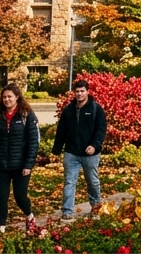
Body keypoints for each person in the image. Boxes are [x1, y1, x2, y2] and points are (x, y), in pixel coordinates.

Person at [0, 84, 39, 233]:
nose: (7, 100)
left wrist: (28, 164)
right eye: (4, 97)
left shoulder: (27, 115)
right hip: (2, 165)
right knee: (2, 197)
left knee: (20, 197)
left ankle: (30, 216)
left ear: (17, 97)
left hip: (20, 165)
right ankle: (0, 227)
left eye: (10, 97)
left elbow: (33, 142)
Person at [52, 79, 106, 217]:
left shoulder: (95, 109)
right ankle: (67, 211)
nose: (79, 94)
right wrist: (56, 150)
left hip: (90, 154)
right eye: (77, 91)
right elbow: (61, 130)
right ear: (74, 93)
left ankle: (96, 208)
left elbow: (101, 130)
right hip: (71, 152)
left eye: (82, 91)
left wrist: (94, 145)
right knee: (69, 181)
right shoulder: (68, 110)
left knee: (92, 181)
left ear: (87, 92)